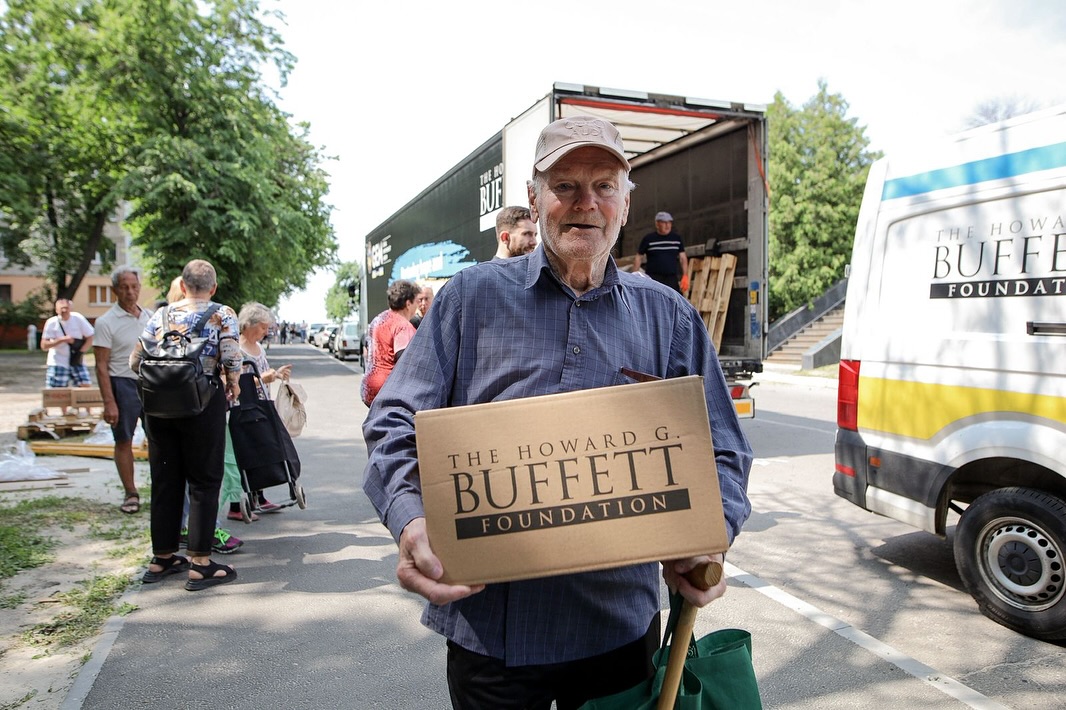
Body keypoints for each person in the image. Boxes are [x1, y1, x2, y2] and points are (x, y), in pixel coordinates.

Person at [362, 115, 753, 708]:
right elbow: (393, 420)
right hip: (490, 631)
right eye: (565, 185)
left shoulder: (669, 317)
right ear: (534, 197)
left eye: (604, 186)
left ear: (625, 202)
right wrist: (411, 519)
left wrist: (709, 536)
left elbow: (722, 448)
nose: (585, 203)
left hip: (618, 635)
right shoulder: (470, 299)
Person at [130, 259, 241, 591]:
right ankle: (200, 564)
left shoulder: (161, 315)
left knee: (166, 480)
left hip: (159, 408)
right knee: (204, 480)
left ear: (182, 285)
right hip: (202, 403)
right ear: (213, 287)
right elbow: (231, 357)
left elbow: (135, 361)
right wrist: (233, 382)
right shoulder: (223, 314)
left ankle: (162, 558)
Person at [92, 266, 151, 514]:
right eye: (124, 287)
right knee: (124, 440)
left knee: (159, 439)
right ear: (115, 289)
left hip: (151, 384)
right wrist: (109, 402)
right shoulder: (105, 322)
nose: (130, 292)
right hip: (122, 384)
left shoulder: (150, 317)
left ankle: (163, 489)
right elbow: (101, 365)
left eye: (134, 287)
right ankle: (131, 493)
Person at [226, 301, 291, 520]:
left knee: (261, 449)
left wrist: (276, 374)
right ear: (248, 325)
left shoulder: (259, 348)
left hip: (260, 406)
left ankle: (259, 496)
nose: (266, 331)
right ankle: (237, 505)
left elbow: (262, 374)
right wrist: (263, 378)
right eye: (263, 327)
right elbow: (235, 381)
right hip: (240, 408)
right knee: (241, 454)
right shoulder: (236, 349)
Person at [360, 279, 420, 407]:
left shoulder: (378, 319)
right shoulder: (403, 326)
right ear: (408, 303)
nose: (417, 307)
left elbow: (367, 349)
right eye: (416, 301)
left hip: (368, 388)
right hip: (387, 390)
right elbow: (405, 361)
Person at [41, 298, 95, 388]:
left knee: (85, 385)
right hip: (58, 361)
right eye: (61, 308)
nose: (64, 311)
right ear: (56, 310)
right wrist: (61, 340)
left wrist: (81, 352)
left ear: (70, 308)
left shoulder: (78, 318)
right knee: (57, 390)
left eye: (66, 308)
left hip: (76, 359)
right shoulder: (52, 322)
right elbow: (44, 345)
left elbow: (91, 336)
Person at [633, 211, 689, 293]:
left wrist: (685, 275)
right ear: (657, 224)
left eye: (669, 222)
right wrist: (634, 276)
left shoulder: (676, 239)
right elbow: (638, 257)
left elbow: (683, 258)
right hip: (653, 279)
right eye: (664, 222)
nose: (667, 225)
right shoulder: (649, 239)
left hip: (671, 279)